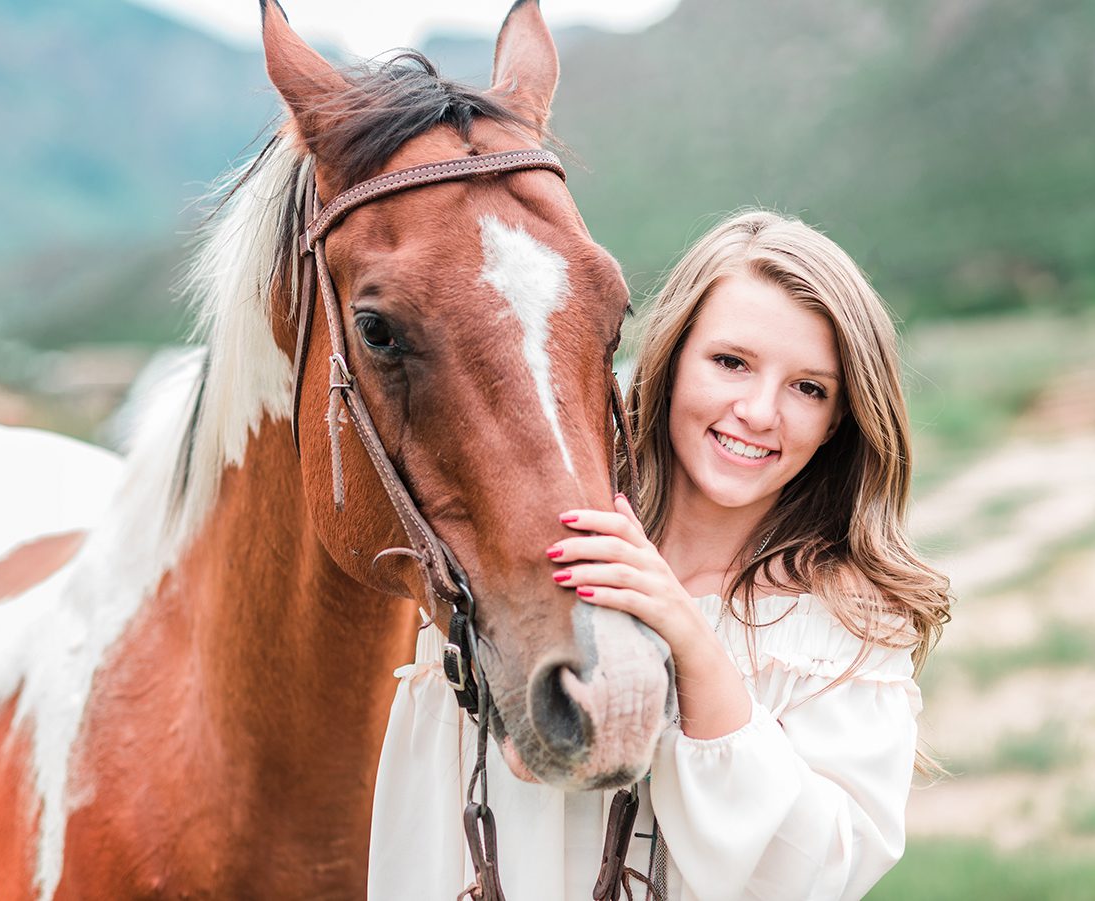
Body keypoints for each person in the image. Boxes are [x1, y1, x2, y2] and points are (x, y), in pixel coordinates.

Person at [369, 209, 951, 900]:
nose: (760, 411)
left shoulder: (843, 624)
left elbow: (816, 874)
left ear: (836, 422)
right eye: (731, 362)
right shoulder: (520, 560)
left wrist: (688, 637)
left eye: (808, 387)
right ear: (671, 362)